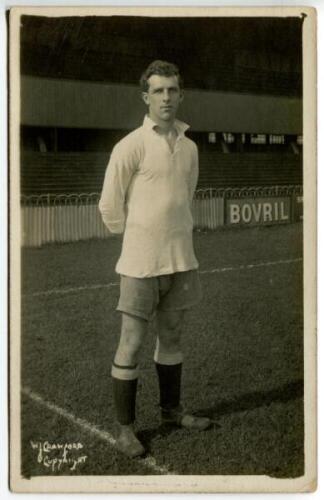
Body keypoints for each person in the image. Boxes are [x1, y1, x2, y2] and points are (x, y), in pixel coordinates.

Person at [99, 60, 211, 458]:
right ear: (146, 97)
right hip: (140, 264)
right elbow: (110, 206)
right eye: (159, 91)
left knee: (173, 337)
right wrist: (137, 239)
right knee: (131, 342)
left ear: (181, 95)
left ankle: (171, 411)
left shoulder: (191, 147)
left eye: (173, 90)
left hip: (181, 260)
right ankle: (125, 429)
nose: (166, 97)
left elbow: (186, 196)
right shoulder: (130, 145)